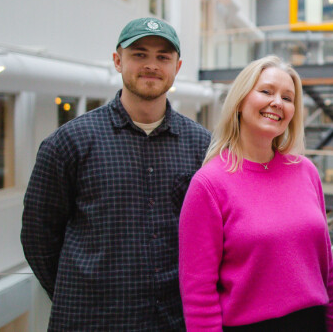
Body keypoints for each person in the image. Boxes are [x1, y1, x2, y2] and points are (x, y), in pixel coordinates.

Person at [21, 17, 211, 331]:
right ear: (117, 60)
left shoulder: (202, 146)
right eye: (139, 54)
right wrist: (79, 294)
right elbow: (38, 237)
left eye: (163, 57)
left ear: (177, 67)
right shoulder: (69, 142)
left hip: (173, 322)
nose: (152, 65)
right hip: (89, 322)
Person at [179, 55, 333, 331]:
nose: (277, 102)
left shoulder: (307, 172)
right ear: (240, 102)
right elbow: (198, 292)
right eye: (266, 91)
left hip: (312, 323)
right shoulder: (209, 183)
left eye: (287, 98)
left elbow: (326, 269)